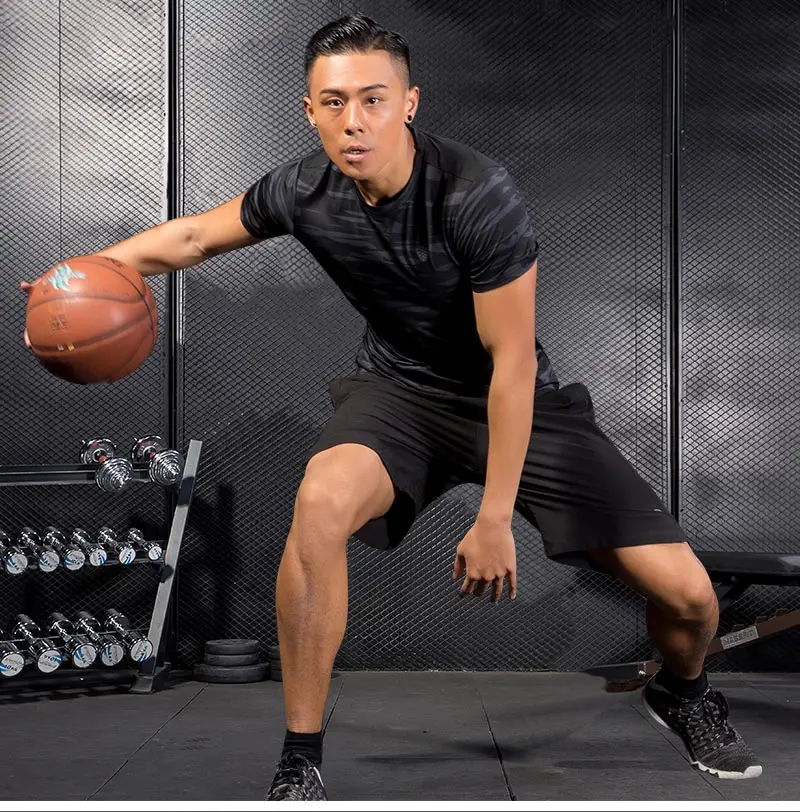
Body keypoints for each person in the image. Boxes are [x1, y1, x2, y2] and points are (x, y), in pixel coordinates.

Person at [23, 14, 761, 799]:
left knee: (690, 599)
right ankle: (301, 759)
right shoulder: (303, 189)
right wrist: (81, 275)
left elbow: (511, 363)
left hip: (512, 398)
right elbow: (193, 240)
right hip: (399, 396)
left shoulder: (476, 194)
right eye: (334, 102)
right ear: (309, 111)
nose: (354, 121)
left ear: (409, 103)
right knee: (319, 502)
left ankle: (683, 691)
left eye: (373, 99)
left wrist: (495, 516)